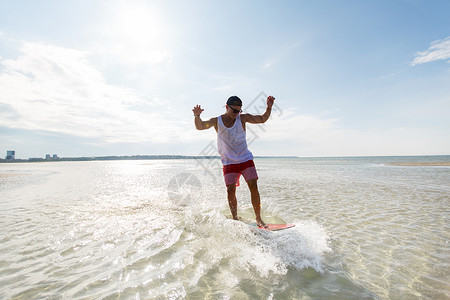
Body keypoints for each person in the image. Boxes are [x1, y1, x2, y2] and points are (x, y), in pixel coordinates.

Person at [192, 95, 275, 227]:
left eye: (239, 111)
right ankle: (235, 219)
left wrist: (269, 107)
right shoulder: (216, 121)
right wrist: (197, 116)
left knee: (253, 186)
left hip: (245, 158)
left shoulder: (242, 118)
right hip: (229, 162)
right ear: (226, 107)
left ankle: (258, 218)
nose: (237, 114)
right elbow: (200, 126)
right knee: (230, 190)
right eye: (234, 111)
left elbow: (262, 119)